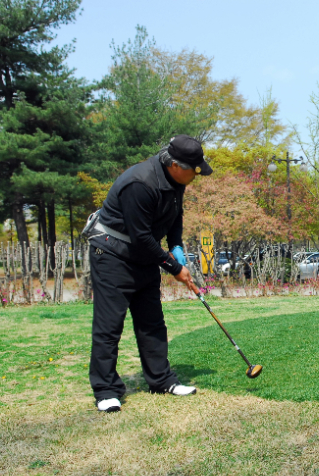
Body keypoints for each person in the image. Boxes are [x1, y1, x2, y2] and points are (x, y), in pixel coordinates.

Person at [88, 134, 213, 412]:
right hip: (111, 254)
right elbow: (141, 236)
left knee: (152, 322)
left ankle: (161, 380)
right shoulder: (140, 184)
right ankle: (106, 390)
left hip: (142, 255)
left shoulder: (176, 180)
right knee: (110, 326)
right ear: (175, 165)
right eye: (193, 171)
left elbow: (175, 215)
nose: (195, 176)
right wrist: (174, 268)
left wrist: (176, 244)